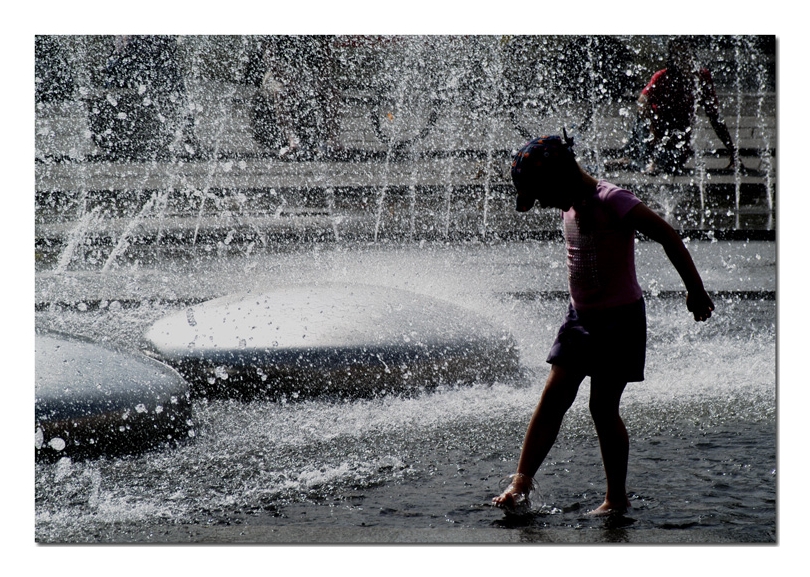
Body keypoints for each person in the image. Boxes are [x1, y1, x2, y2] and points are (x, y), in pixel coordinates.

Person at [492, 133, 715, 516]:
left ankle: (616, 498)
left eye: (543, 195)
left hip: (620, 320)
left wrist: (695, 290)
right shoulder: (570, 202)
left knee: (602, 406)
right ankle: (521, 483)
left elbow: (666, 234)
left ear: (563, 178)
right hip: (580, 317)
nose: (544, 205)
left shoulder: (612, 199)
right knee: (553, 398)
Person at [619, 37, 744, 175]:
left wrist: (731, 149)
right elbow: (642, 101)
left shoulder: (701, 77)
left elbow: (714, 116)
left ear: (692, 54)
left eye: (686, 52)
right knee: (642, 117)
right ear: (672, 58)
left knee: (672, 165)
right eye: (678, 54)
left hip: (679, 133)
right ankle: (632, 156)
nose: (683, 58)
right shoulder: (662, 76)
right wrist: (653, 129)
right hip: (654, 128)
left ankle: (647, 160)